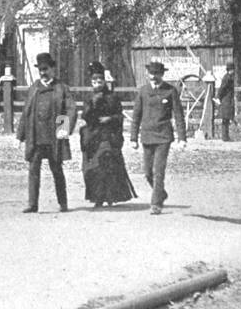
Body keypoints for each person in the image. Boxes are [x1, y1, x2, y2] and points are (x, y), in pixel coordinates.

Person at [16, 53, 75, 213]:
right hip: (35, 137)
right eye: (41, 69)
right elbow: (26, 112)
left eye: (46, 69)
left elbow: (70, 109)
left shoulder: (61, 88)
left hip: (54, 137)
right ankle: (32, 204)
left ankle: (63, 204)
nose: (43, 72)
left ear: (52, 69)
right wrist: (20, 135)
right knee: (33, 170)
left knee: (57, 170)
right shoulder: (34, 88)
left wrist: (64, 129)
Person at [130, 60, 186, 215]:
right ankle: (160, 193)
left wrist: (182, 138)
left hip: (163, 137)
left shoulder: (170, 91)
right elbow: (136, 115)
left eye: (157, 74)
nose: (154, 77)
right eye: (151, 74)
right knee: (148, 172)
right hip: (147, 136)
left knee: (158, 171)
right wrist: (133, 137)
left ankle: (156, 204)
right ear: (148, 74)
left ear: (162, 75)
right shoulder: (143, 91)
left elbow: (179, 115)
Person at [78, 61, 136, 208]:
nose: (97, 83)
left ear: (104, 81)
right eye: (94, 81)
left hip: (109, 135)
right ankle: (97, 197)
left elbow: (120, 116)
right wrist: (92, 105)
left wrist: (110, 118)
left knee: (108, 166)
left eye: (99, 81)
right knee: (94, 167)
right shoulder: (89, 99)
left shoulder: (113, 97)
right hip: (93, 137)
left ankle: (110, 196)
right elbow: (85, 117)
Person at [216, 60, 235, 141]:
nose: (233, 71)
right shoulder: (226, 78)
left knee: (227, 119)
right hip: (225, 100)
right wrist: (218, 97)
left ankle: (226, 136)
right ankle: (224, 137)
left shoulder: (229, 77)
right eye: (232, 69)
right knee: (225, 119)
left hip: (228, 99)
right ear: (230, 69)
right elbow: (222, 88)